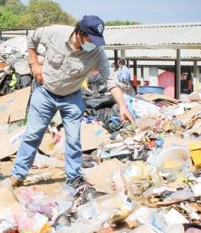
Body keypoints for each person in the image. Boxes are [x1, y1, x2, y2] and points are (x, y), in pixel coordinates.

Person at [9, 15, 134, 188]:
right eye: (91, 39)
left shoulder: (96, 53)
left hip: (72, 98)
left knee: (73, 140)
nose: (94, 44)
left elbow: (111, 80)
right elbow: (32, 38)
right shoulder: (55, 33)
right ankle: (18, 175)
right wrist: (34, 63)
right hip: (45, 93)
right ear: (79, 32)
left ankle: (73, 181)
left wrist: (122, 106)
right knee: (33, 134)